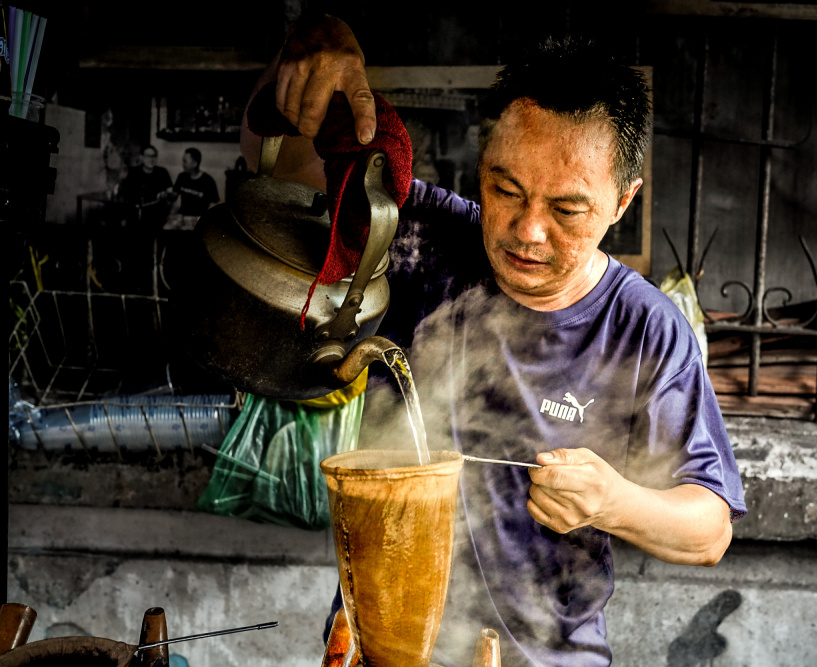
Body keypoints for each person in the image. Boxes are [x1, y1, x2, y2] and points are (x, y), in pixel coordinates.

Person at [242, 14, 746, 667]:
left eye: (567, 209)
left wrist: (615, 500)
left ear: (623, 202)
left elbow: (708, 527)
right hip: (380, 647)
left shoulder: (644, 328)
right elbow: (268, 154)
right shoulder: (422, 241)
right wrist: (309, 55)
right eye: (505, 189)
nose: (527, 231)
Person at [119, 145, 173, 227]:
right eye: (148, 156)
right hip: (136, 215)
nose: (151, 159)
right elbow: (125, 195)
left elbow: (171, 193)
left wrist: (166, 195)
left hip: (157, 216)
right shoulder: (134, 173)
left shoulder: (162, 172)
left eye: (154, 156)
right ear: (141, 157)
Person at [166, 147, 219, 230]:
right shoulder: (182, 176)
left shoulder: (208, 180)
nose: (183, 164)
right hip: (181, 216)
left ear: (194, 163)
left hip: (198, 217)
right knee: (166, 229)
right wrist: (167, 194)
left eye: (185, 161)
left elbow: (214, 203)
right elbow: (174, 196)